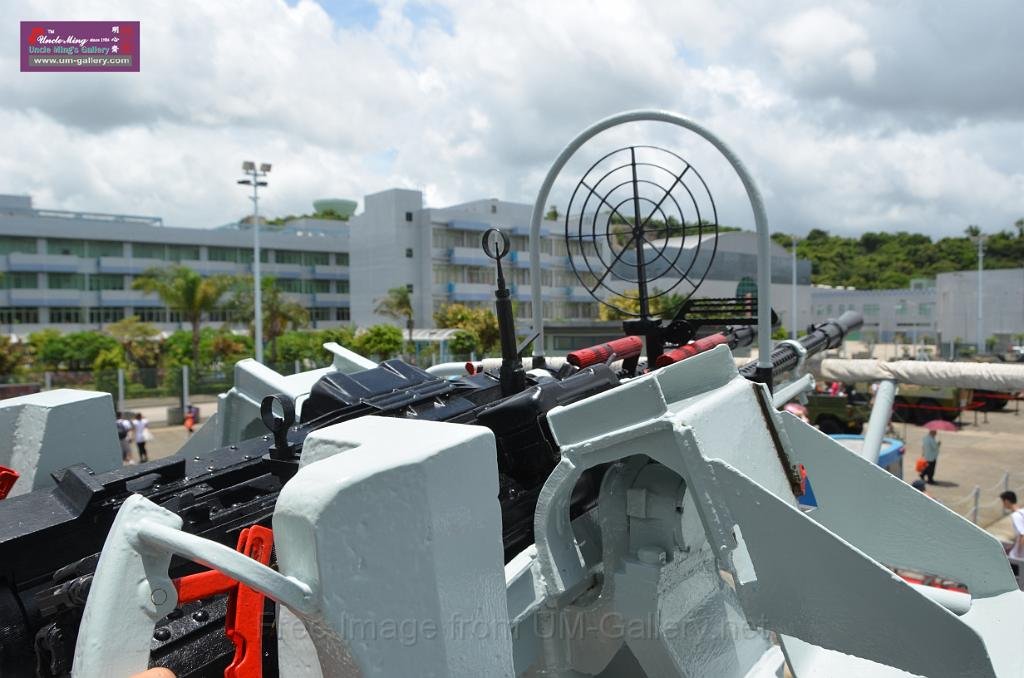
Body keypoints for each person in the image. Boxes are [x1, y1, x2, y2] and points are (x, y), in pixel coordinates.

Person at [1000, 490, 1024, 575]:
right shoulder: (1022, 511)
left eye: (1003, 502)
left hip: (1018, 558)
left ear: (1006, 501)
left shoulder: (1015, 516)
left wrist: (1018, 555)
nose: (1003, 505)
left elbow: (1022, 535)